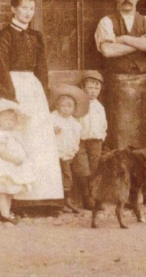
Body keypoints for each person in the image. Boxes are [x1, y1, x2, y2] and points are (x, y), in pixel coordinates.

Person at [94, 0, 146, 209]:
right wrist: (139, 44)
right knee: (121, 142)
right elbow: (107, 50)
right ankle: (123, 195)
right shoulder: (106, 22)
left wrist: (124, 39)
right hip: (119, 84)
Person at [0, 0, 63, 207]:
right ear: (13, 9)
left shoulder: (36, 36)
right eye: (24, 8)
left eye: (31, 9)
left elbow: (42, 68)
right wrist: (10, 101)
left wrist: (44, 95)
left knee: (36, 137)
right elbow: (0, 66)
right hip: (12, 87)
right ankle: (12, 196)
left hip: (32, 87)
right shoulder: (4, 36)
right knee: (14, 137)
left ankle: (37, 195)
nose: (28, 13)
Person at [0, 99, 35, 224]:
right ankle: (4, 214)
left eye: (12, 120)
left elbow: (26, 120)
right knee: (4, 192)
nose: (9, 122)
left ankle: (7, 212)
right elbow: (1, 151)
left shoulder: (13, 134)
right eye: (6, 119)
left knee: (9, 193)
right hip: (3, 170)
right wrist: (13, 159)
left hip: (11, 169)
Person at [50, 83, 89, 214]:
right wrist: (52, 131)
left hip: (67, 155)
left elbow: (76, 139)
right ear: (57, 106)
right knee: (55, 177)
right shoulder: (52, 118)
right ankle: (55, 203)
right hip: (54, 154)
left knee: (67, 177)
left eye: (69, 106)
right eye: (63, 106)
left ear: (74, 108)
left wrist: (73, 151)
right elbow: (43, 133)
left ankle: (66, 200)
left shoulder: (74, 123)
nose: (66, 109)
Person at [72, 70, 107, 209]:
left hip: (96, 140)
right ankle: (85, 197)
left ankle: (94, 196)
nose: (93, 91)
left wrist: (102, 136)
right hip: (81, 140)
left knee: (94, 168)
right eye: (90, 88)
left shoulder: (100, 107)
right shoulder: (79, 104)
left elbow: (103, 124)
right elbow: (74, 122)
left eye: (96, 88)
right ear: (83, 87)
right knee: (82, 168)